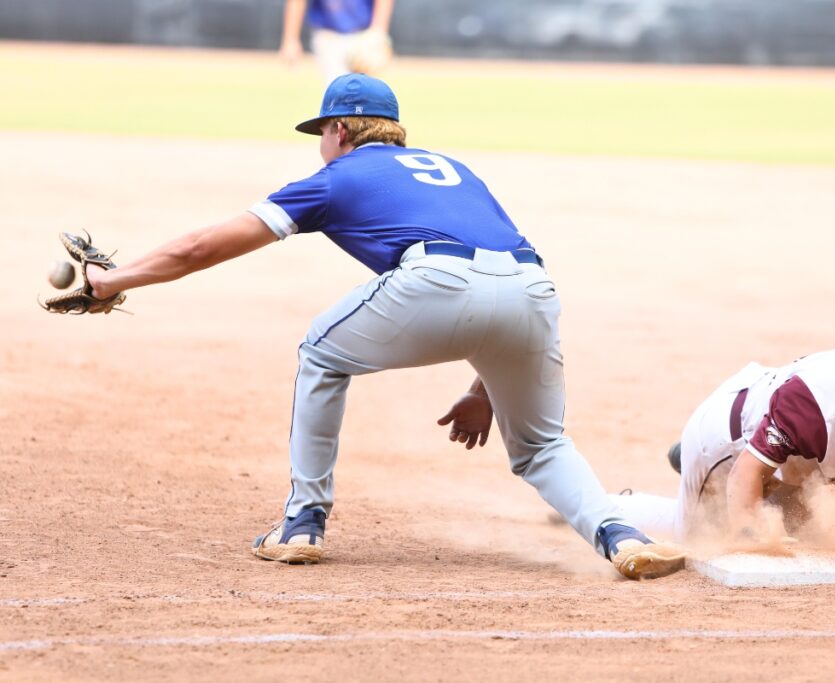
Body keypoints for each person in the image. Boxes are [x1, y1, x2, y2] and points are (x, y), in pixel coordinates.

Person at [78, 74, 685, 580]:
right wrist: (486, 388)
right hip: (534, 291)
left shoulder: (337, 176)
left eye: (322, 133)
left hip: (436, 281)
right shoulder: (455, 170)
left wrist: (114, 280)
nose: (320, 145)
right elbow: (499, 273)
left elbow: (198, 248)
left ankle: (302, 523)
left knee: (321, 353)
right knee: (543, 447)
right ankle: (621, 535)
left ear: (340, 130)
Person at [610, 307, 835, 553]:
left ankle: (690, 467)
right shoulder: (814, 402)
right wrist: (747, 531)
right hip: (731, 444)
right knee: (700, 540)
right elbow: (748, 470)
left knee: (805, 539)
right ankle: (607, 507)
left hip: (796, 459)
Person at [279, 0, 395, 83]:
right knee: (338, 99)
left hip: (365, 34)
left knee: (370, 100)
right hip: (329, 36)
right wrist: (291, 39)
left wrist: (378, 31)